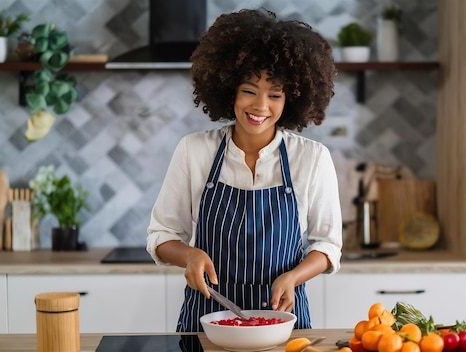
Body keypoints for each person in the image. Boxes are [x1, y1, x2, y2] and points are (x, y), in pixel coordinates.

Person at [146, 8, 342, 332]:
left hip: (285, 325)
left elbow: (327, 246)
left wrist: (294, 277)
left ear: (291, 98)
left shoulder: (312, 158)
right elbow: (162, 235)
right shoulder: (194, 151)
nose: (260, 106)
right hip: (207, 325)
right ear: (229, 88)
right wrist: (190, 255)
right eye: (249, 90)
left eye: (274, 95)